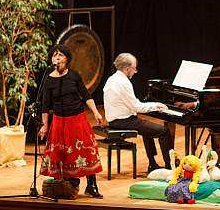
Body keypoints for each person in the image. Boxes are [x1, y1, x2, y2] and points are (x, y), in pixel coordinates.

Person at [39, 45, 104, 198]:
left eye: (60, 55)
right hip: (59, 120)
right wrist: (44, 125)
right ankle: (67, 184)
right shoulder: (48, 79)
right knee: (62, 153)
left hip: (77, 118)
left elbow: (86, 95)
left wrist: (96, 113)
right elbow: (45, 105)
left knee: (85, 151)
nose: (57, 58)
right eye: (55, 55)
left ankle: (91, 185)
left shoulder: (74, 76)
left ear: (67, 59)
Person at [103, 53, 174, 172]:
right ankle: (170, 166)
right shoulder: (123, 82)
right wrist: (156, 105)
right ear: (127, 68)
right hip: (123, 122)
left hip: (114, 120)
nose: (135, 71)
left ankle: (152, 163)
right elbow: (137, 107)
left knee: (147, 128)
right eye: (134, 68)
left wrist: (151, 106)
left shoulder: (112, 79)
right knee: (164, 131)